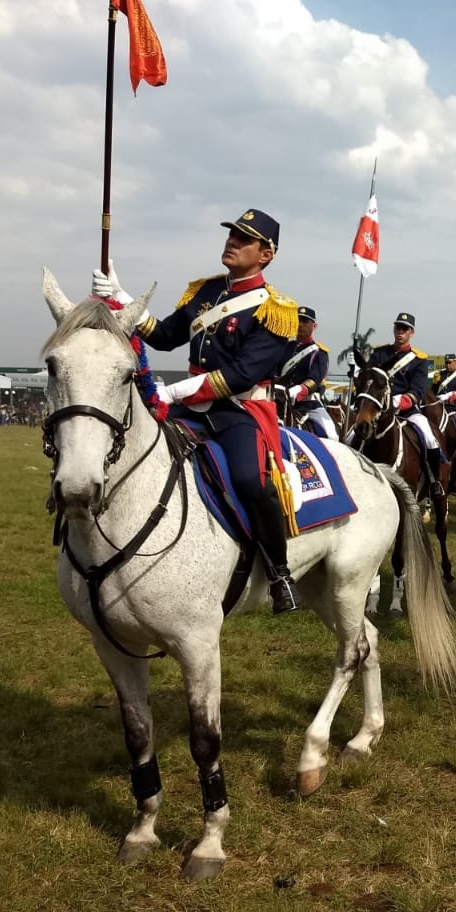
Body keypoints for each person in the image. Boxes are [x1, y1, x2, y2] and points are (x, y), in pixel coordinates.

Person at [91, 207, 301, 613]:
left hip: (237, 411)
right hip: (189, 409)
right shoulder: (205, 293)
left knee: (250, 480)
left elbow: (241, 374)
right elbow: (166, 336)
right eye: (231, 235)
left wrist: (176, 392)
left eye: (244, 239)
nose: (232, 243)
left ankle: (280, 573)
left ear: (266, 254)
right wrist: (120, 296)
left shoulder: (277, 310)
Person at [366, 313, 446, 499]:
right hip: (378, 409)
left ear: (412, 332)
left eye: (405, 329)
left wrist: (397, 402)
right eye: (398, 328)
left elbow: (417, 391)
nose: (400, 332)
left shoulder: (418, 360)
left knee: (430, 439)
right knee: (351, 436)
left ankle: (434, 481)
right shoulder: (379, 354)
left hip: (406, 411)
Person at [277, 305, 336, 439]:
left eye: (305, 321)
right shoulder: (284, 347)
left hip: (308, 405)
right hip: (280, 401)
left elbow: (315, 380)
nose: (300, 324)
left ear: (314, 326)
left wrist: (297, 390)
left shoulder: (319, 352)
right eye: (298, 320)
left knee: (332, 436)